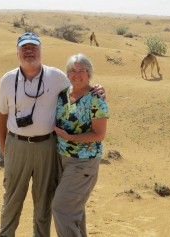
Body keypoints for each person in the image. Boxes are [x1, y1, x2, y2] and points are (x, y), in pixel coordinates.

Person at [0, 33, 105, 237]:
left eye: (33, 47)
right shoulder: (8, 79)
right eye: (24, 48)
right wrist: (5, 148)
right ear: (17, 52)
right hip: (16, 145)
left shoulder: (56, 76)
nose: (29, 51)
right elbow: (1, 116)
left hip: (47, 146)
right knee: (11, 199)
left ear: (41, 51)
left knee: (44, 200)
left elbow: (79, 85)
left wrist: (97, 90)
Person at [52, 53, 109, 237]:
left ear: (89, 74)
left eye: (81, 71)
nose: (76, 75)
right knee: (74, 210)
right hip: (63, 160)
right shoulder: (63, 95)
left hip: (84, 162)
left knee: (61, 208)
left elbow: (99, 135)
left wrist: (71, 138)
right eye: (72, 71)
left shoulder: (96, 99)